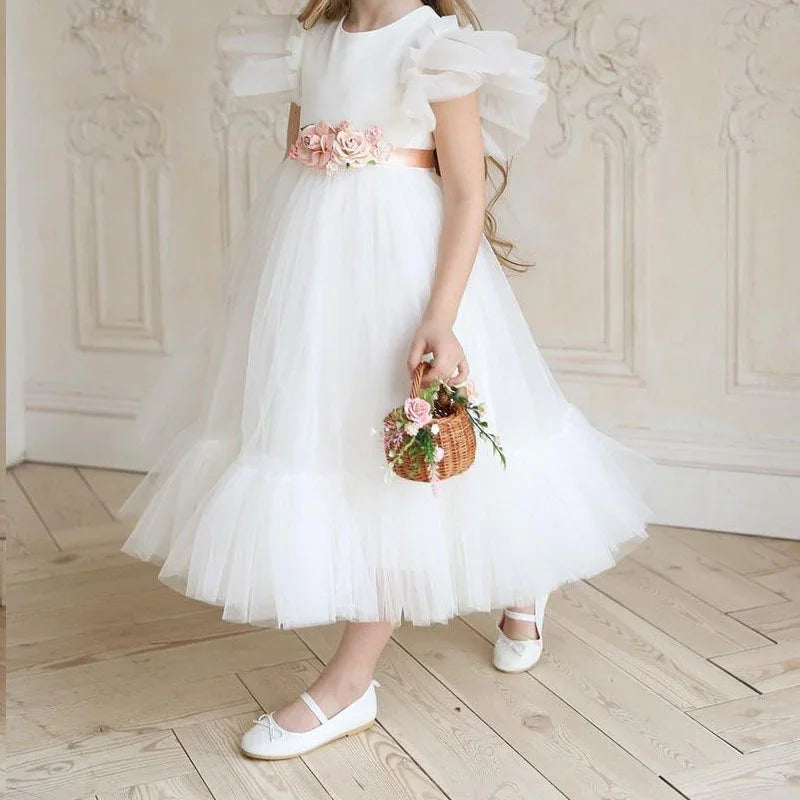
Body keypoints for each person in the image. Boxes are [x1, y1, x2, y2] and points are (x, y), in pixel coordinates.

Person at [119, 0, 651, 761]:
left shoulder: (434, 47)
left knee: (404, 463)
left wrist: (440, 316)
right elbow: (303, 160)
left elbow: (465, 192)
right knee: (343, 446)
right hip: (317, 271)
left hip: (405, 273)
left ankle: (350, 682)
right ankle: (520, 570)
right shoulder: (312, 41)